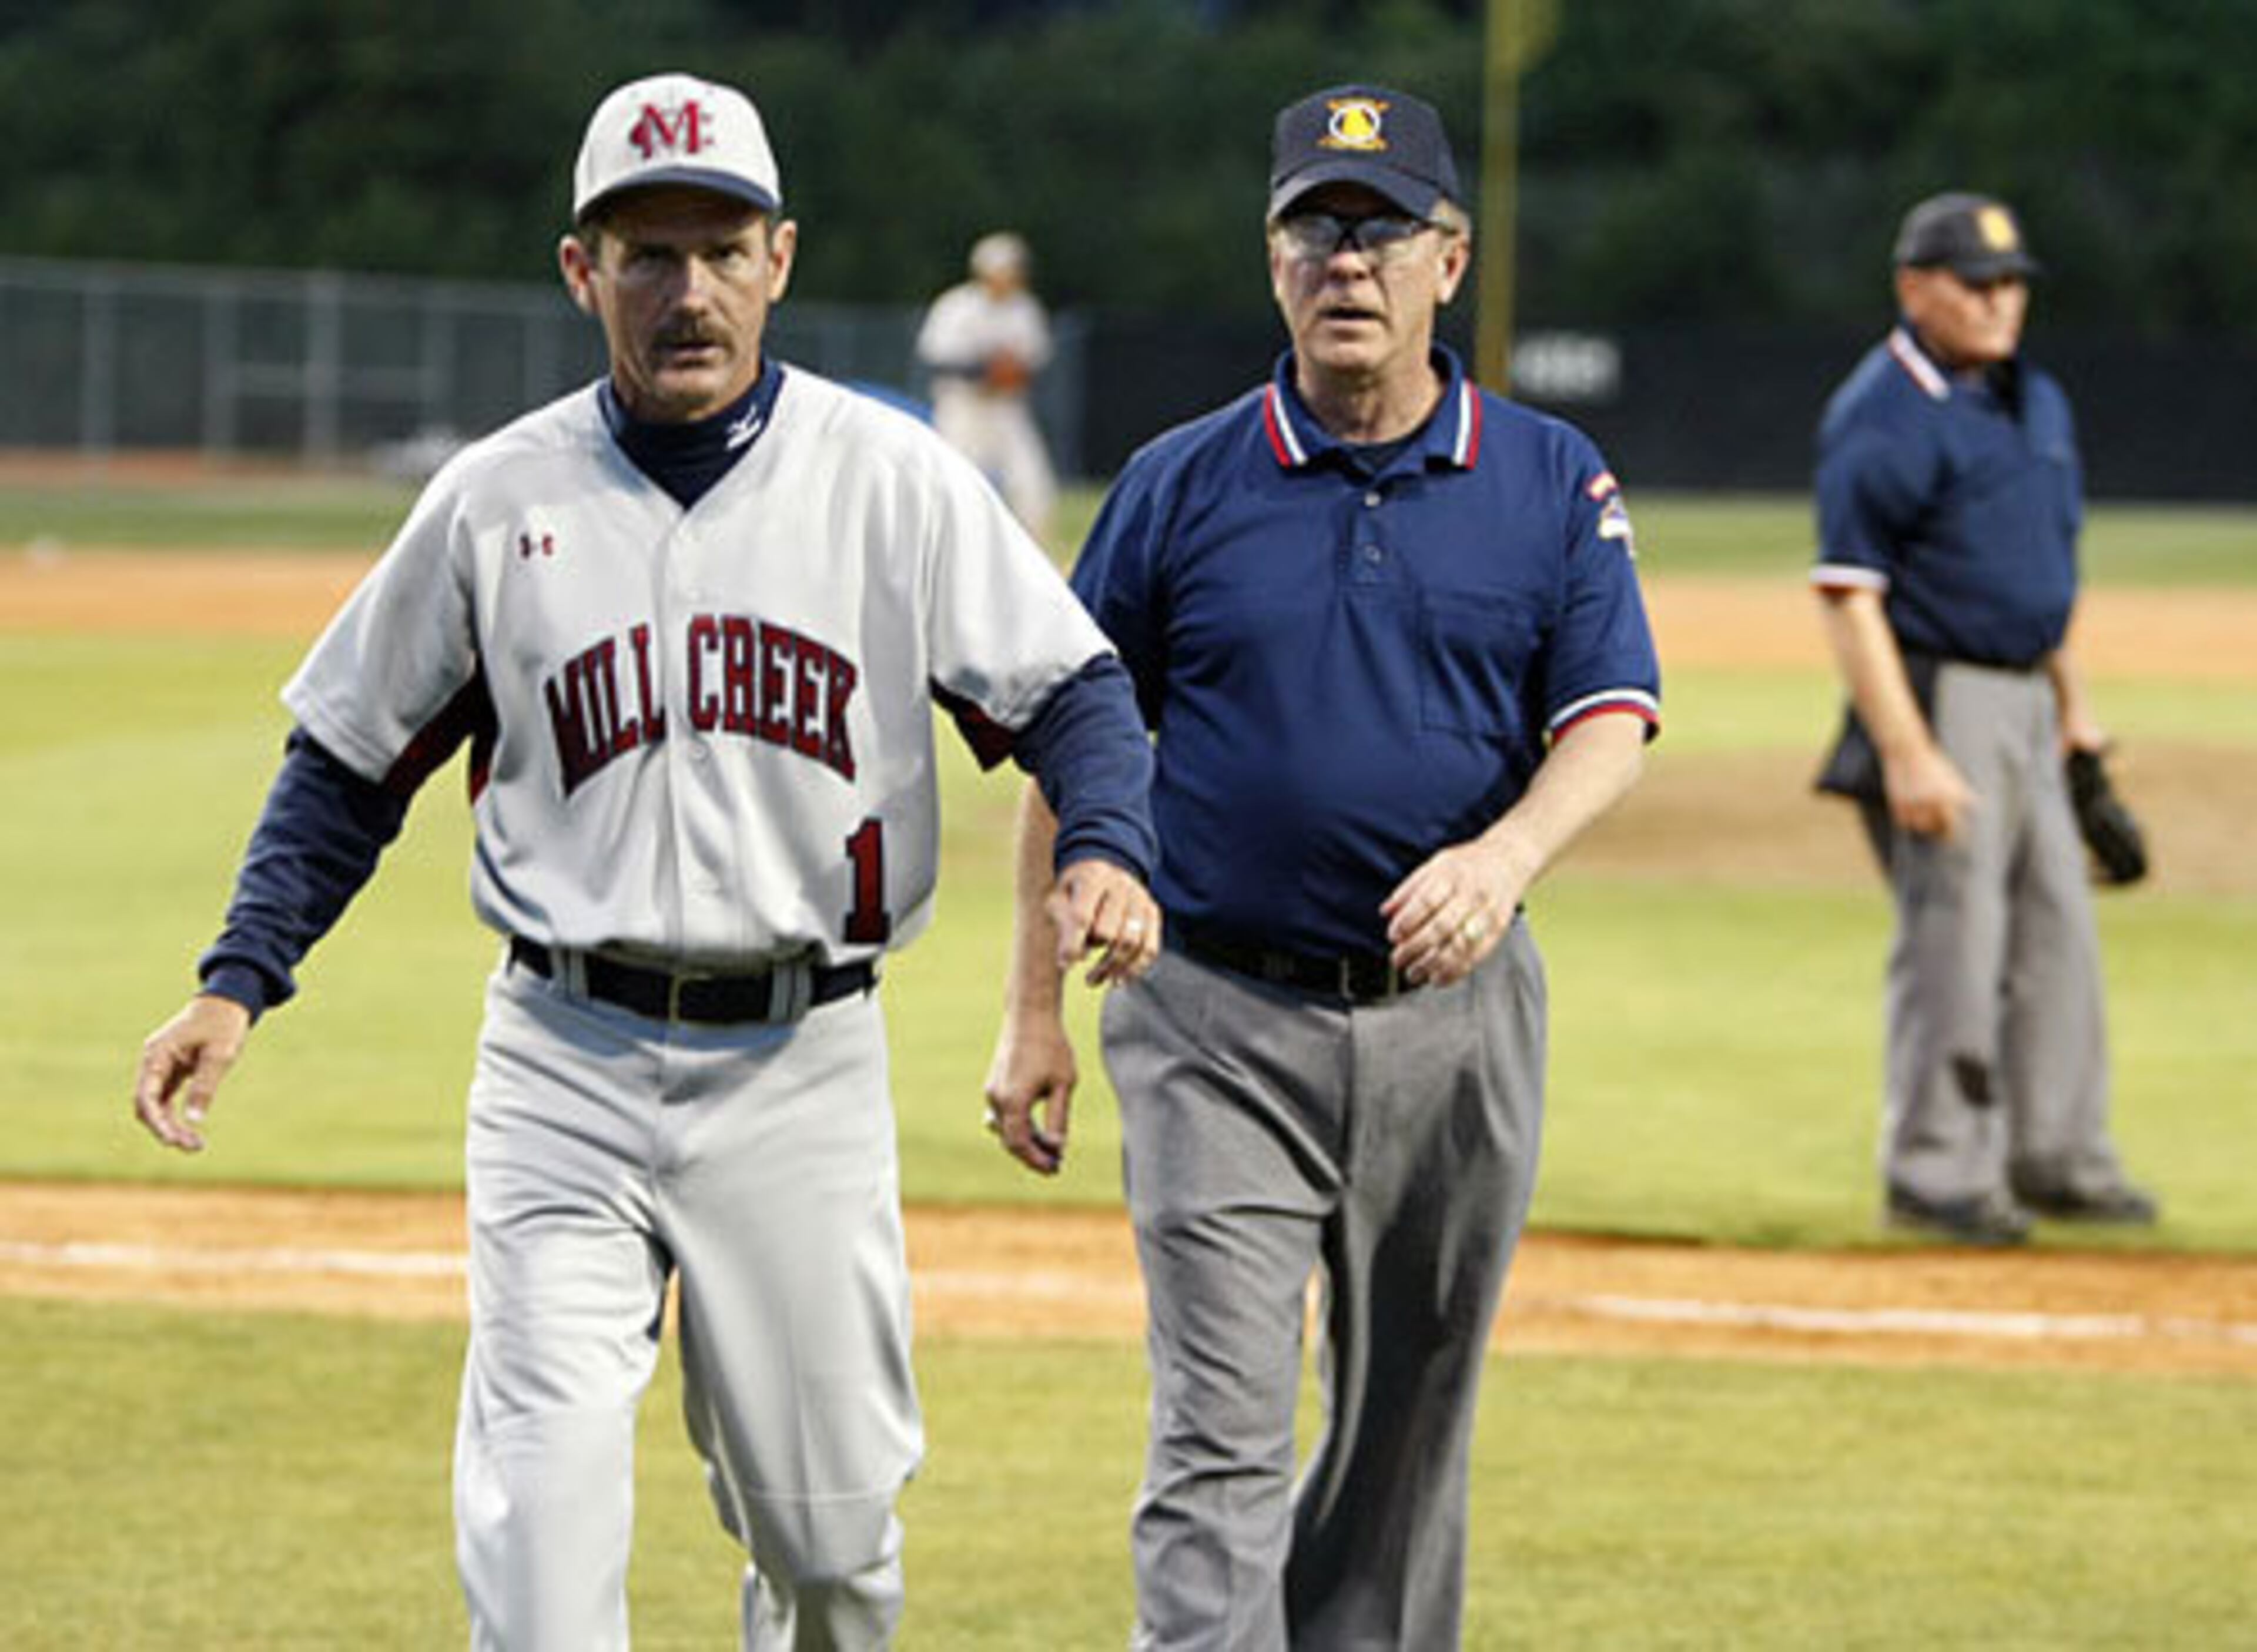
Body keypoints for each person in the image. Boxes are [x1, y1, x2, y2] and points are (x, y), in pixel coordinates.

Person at [131, 71, 1161, 1651]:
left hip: (801, 1067)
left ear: (781, 260)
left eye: (721, 247)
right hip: (564, 1065)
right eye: (646, 253)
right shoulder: (494, 501)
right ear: (581, 270)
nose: (688, 290)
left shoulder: (888, 483)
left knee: (832, 1556)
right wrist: (236, 977)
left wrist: (1105, 840)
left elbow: (1076, 690)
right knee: (539, 1569)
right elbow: (346, 760)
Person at [984, 85, 1660, 1648]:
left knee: (1409, 1434)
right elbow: (1072, 744)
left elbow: (1611, 716)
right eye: (1313, 227)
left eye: (1381, 227)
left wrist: (1505, 857)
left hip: (1460, 1023)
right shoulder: (1178, 481)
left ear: (1451, 258)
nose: (1345, 260)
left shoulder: (1549, 475)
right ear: (1272, 259)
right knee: (1221, 1434)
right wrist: (1032, 1010)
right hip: (1212, 1014)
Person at [1811, 190, 2159, 1246]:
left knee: (2058, 935)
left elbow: (2035, 573)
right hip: (1939, 694)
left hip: (2024, 698)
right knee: (1956, 944)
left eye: (2013, 284)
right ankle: (1936, 1169)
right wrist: (1909, 754)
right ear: (1916, 288)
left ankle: (2057, 1156)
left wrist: (2075, 714)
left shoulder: (2028, 398)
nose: (2003, 302)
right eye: (1978, 283)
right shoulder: (1882, 414)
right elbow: (1848, 593)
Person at [914, 230, 1059, 541]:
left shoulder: (1025, 309)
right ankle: (944, 549)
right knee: (952, 483)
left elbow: (1034, 362)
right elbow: (938, 360)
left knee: (1032, 483)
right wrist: (985, 371)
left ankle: (1034, 557)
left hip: (1006, 409)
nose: (1013, 275)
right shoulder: (958, 306)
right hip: (963, 409)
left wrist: (1009, 373)